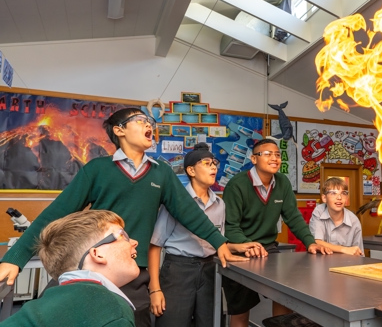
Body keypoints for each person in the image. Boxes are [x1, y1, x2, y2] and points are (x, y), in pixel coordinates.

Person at [0, 108, 248, 326]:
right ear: (119, 130)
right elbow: (53, 216)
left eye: (151, 121)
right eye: (140, 120)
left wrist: (220, 243)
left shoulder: (162, 173)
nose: (149, 125)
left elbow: (190, 212)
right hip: (90, 268)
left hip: (134, 273)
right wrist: (16, 257)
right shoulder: (97, 169)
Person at [148, 143, 266, 327]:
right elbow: (155, 246)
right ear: (191, 170)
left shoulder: (220, 204)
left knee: (210, 322)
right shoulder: (175, 202)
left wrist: (240, 246)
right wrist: (154, 289)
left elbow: (218, 243)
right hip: (178, 271)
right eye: (206, 163)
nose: (213, 167)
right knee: (173, 322)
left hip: (210, 269)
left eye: (214, 163)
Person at [222, 138, 330, 327]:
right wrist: (247, 245)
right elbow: (230, 226)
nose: (274, 158)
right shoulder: (236, 185)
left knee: (283, 296)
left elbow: (294, 217)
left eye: (277, 154)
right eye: (268, 154)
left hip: (268, 249)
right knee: (240, 310)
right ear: (254, 159)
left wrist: (310, 242)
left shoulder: (282, 182)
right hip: (239, 250)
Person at [2, 210, 139, 326]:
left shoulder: (44, 305)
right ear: (97, 254)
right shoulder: (112, 311)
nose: (134, 242)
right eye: (122, 236)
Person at [309, 177, 364, 255]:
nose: (339, 197)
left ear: (347, 198)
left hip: (346, 265)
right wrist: (344, 249)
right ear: (324, 198)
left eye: (343, 193)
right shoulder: (319, 212)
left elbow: (357, 252)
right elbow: (317, 242)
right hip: (322, 263)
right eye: (333, 193)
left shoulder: (354, 220)